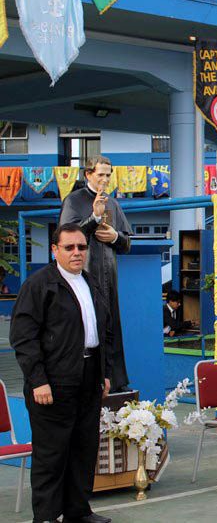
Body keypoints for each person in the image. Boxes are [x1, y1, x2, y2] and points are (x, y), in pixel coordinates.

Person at [11, 223, 113, 523]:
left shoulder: (91, 283)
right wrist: (38, 380)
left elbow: (102, 332)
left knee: (84, 448)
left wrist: (104, 373)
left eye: (82, 247)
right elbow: (24, 337)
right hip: (53, 382)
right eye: (69, 247)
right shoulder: (39, 285)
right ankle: (45, 516)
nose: (77, 252)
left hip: (88, 375)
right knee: (52, 453)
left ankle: (78, 511)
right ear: (55, 250)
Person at [60, 155, 132, 392]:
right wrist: (94, 218)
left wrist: (115, 236)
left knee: (111, 328)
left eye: (108, 175)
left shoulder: (114, 203)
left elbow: (126, 242)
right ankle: (91, 381)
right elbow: (68, 237)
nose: (105, 180)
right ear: (88, 174)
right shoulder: (73, 200)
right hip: (84, 276)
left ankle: (115, 380)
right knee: (88, 326)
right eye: (100, 174)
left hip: (109, 276)